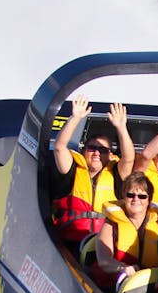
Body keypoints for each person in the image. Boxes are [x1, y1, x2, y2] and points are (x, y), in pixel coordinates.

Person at [49, 97, 134, 248]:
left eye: (102, 150)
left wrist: (121, 127)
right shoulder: (73, 170)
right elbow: (59, 147)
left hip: (104, 245)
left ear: (110, 155)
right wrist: (75, 118)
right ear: (84, 151)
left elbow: (128, 158)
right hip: (70, 243)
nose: (96, 153)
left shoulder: (116, 174)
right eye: (92, 148)